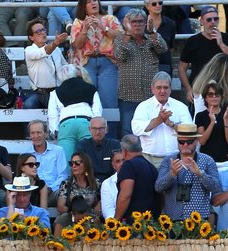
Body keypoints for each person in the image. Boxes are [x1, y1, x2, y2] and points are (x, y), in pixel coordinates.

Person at [69, 0, 121, 137]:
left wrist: (103, 27)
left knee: (109, 102)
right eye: (89, 2)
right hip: (87, 63)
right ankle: (88, 137)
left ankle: (111, 139)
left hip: (108, 62)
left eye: (95, 1)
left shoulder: (110, 19)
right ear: (83, 6)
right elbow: (77, 45)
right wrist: (85, 29)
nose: (94, 3)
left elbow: (121, 37)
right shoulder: (78, 22)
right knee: (87, 101)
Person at [116, 9, 166, 142]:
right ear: (127, 23)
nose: (137, 25)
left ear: (145, 23)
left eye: (140, 22)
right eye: (134, 22)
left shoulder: (153, 37)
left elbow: (163, 49)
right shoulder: (121, 39)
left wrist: (152, 32)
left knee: (153, 131)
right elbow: (120, 54)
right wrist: (127, 33)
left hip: (151, 97)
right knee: (128, 131)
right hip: (128, 95)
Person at [177, 5, 228, 105]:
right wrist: (188, 89)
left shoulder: (227, 38)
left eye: (216, 19)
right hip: (199, 91)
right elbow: (181, 68)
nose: (213, 22)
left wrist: (221, 44)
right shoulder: (193, 41)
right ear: (201, 21)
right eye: (209, 19)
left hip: (221, 91)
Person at [156, 124, 220, 222]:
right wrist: (172, 174)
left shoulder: (207, 160)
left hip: (199, 219)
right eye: (181, 141)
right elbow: (158, 187)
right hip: (173, 219)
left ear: (196, 141)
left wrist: (200, 174)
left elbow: (216, 187)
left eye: (189, 141)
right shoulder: (168, 160)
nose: (185, 144)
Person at [131, 72, 192, 168]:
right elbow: (136, 130)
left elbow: (189, 132)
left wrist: (171, 124)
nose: (162, 91)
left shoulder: (181, 107)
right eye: (159, 87)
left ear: (170, 89)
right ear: (152, 89)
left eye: (166, 87)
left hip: (177, 158)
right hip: (150, 158)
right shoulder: (143, 107)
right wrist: (159, 120)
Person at [48, 64, 103, 162]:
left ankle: (69, 177)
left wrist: (55, 130)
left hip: (66, 124)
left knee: (67, 160)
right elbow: (97, 109)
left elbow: (52, 114)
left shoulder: (55, 92)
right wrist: (96, 125)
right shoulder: (90, 87)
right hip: (85, 122)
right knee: (89, 159)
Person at [24, 19, 68, 111]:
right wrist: (55, 43)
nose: (43, 33)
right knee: (28, 105)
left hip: (57, 91)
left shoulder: (56, 49)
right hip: (39, 93)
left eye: (44, 30)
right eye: (38, 31)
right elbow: (43, 52)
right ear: (31, 37)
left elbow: (65, 66)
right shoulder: (29, 50)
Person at [114, 134, 159, 222]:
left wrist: (115, 220)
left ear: (124, 151)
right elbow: (161, 195)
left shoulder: (128, 166)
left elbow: (125, 195)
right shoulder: (152, 167)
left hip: (134, 224)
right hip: (152, 223)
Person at [193, 80, 228, 164]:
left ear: (221, 97)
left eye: (217, 94)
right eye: (210, 94)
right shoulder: (200, 116)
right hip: (206, 161)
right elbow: (202, 141)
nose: (214, 97)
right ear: (206, 98)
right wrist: (212, 122)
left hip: (225, 161)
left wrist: (225, 119)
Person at [54, 151, 99, 231]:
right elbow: (61, 207)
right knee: (62, 219)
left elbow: (103, 200)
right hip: (72, 217)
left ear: (86, 165)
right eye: (71, 163)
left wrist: (98, 206)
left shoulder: (96, 183)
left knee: (94, 221)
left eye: (77, 163)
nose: (74, 166)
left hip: (90, 218)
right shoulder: (66, 184)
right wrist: (76, 214)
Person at [77, 117, 121, 182]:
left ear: (106, 130)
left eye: (101, 128)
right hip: (89, 182)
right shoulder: (83, 145)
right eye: (94, 129)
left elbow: (118, 167)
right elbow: (80, 168)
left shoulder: (114, 144)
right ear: (89, 130)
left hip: (110, 182)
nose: (97, 132)